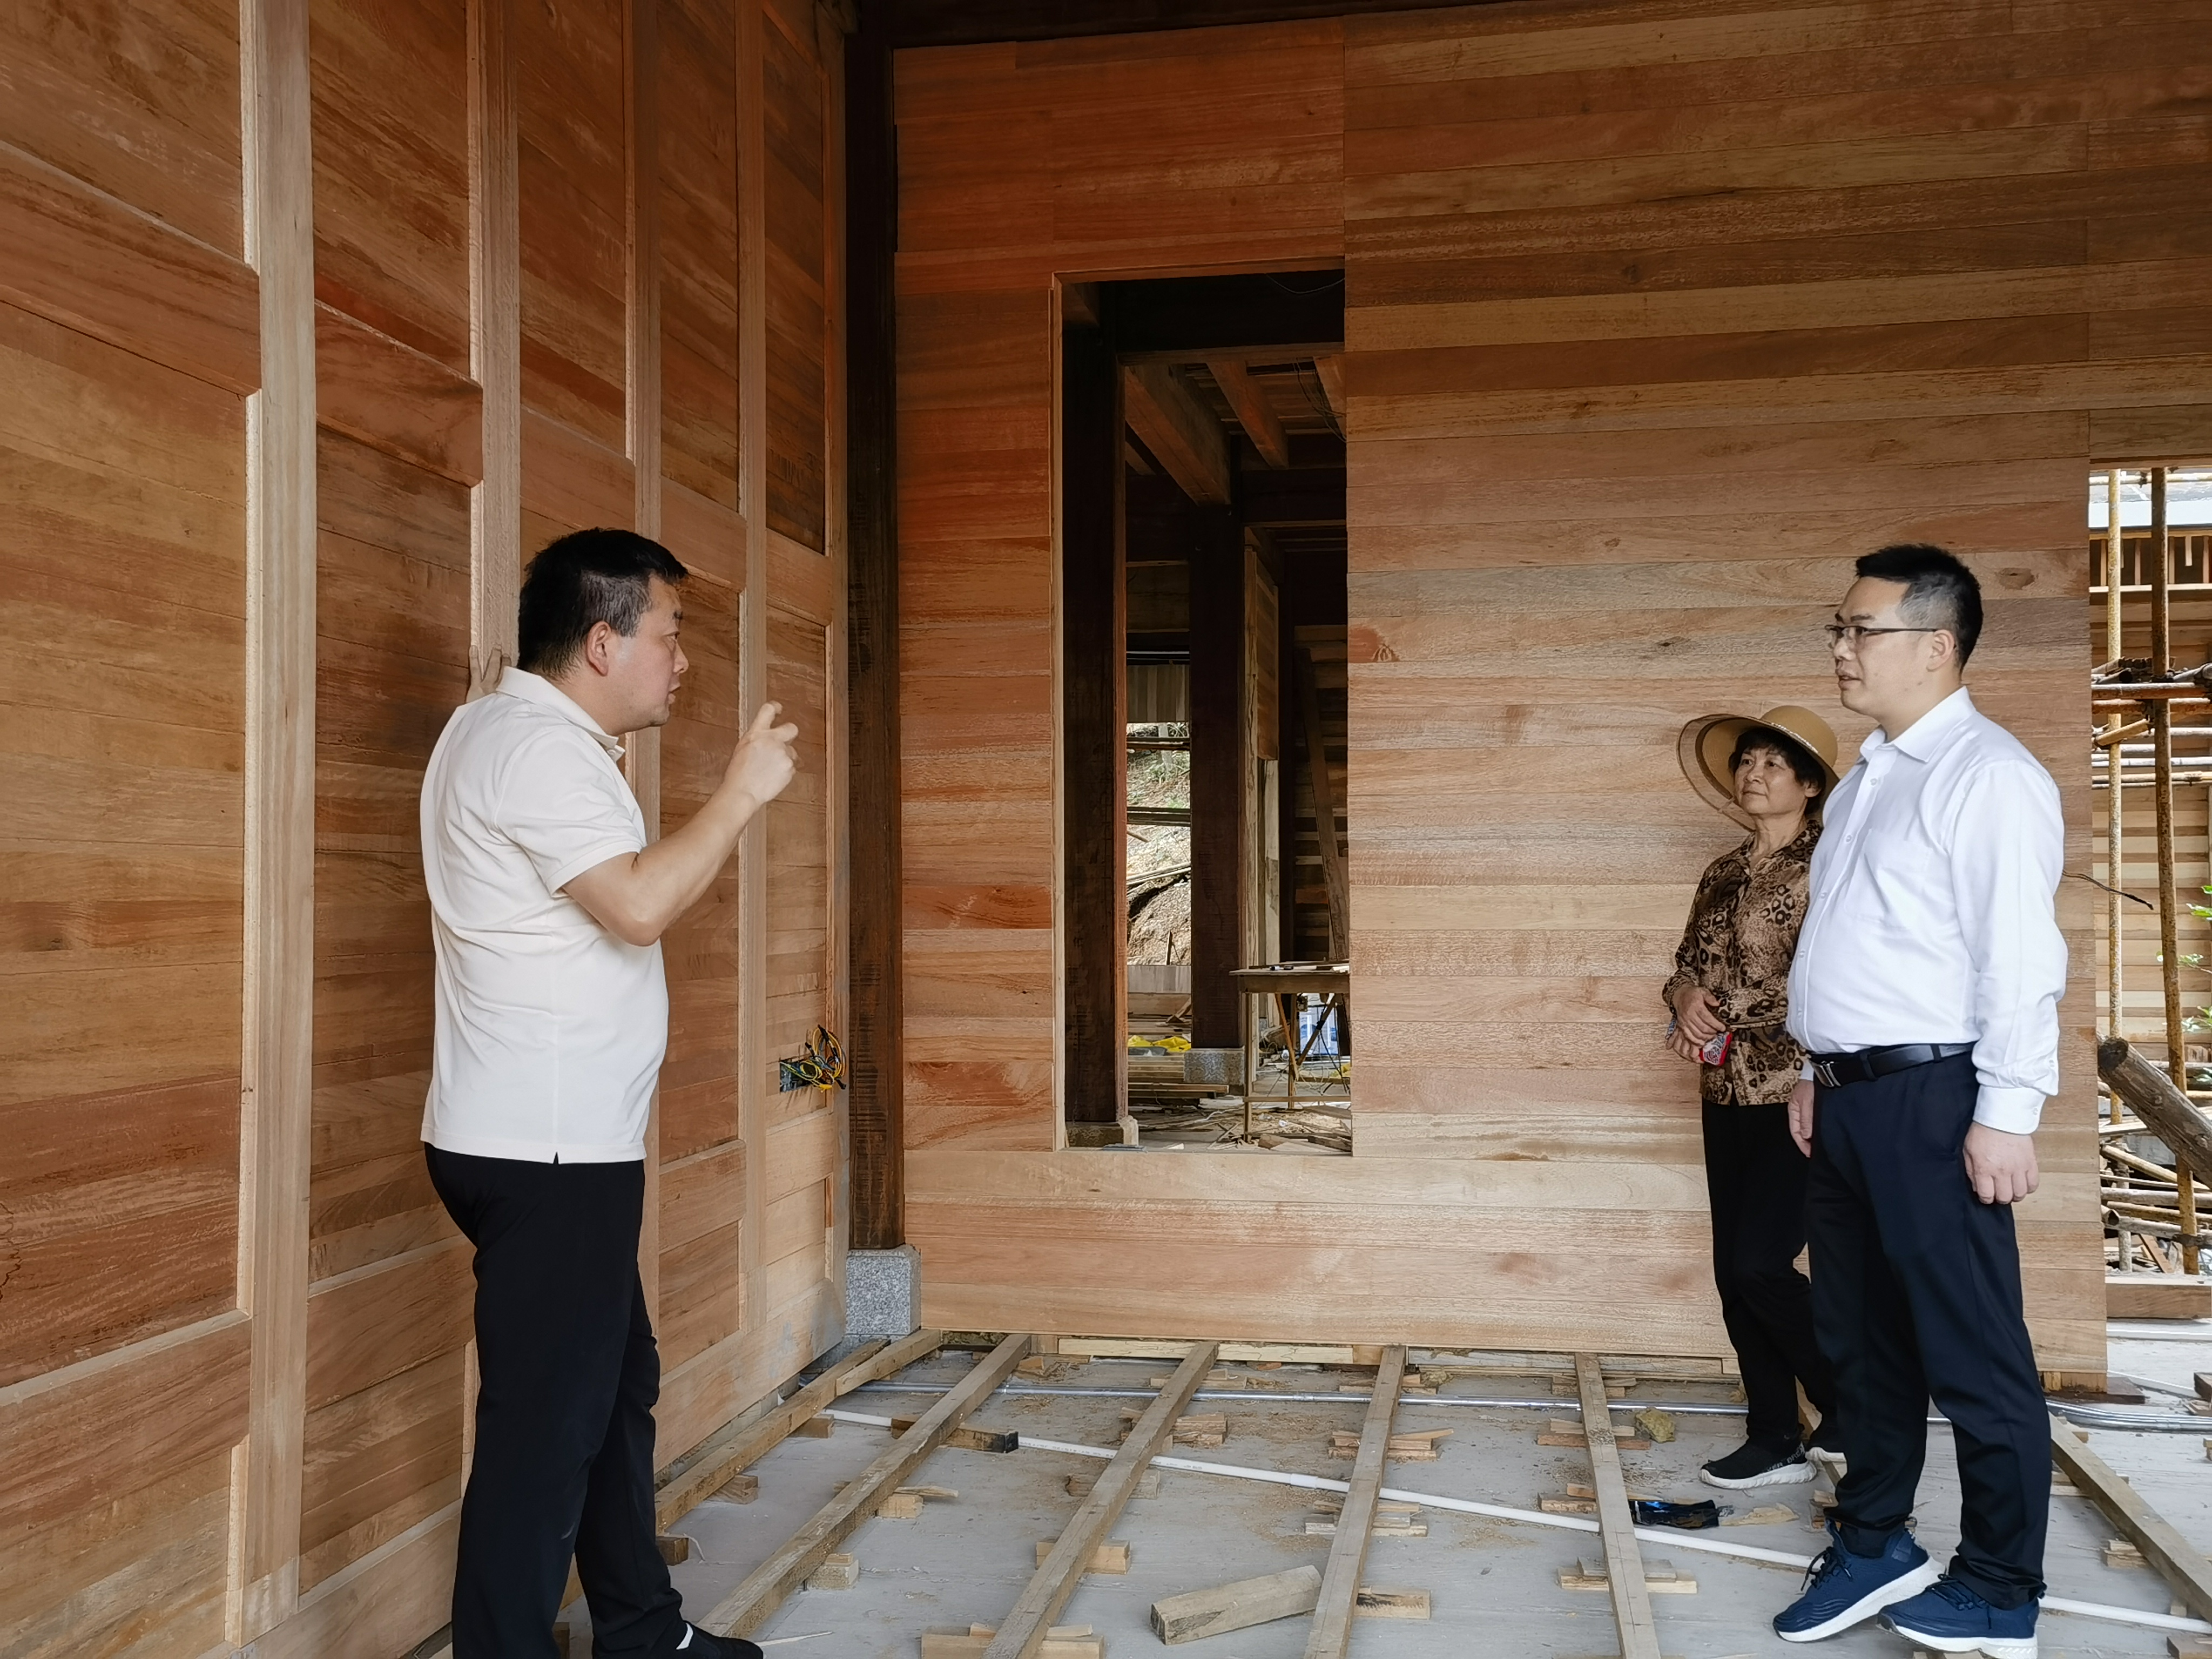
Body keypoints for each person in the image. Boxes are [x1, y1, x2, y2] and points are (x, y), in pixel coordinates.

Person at [420, 528, 799, 1659]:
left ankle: (641, 1630)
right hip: (547, 1154)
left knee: (613, 1391)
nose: (683, 661)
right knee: (544, 1439)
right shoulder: (537, 751)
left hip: (542, 1143)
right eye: (669, 635)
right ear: (601, 642)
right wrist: (737, 797)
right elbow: (635, 906)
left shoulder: (504, 730)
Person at [1770, 545, 2063, 1659]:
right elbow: (1860, 946)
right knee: (1860, 1342)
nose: (1840, 650)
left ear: (1935, 645)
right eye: (1837, 630)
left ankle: (1998, 1588)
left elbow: (2017, 957)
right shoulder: (1868, 779)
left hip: (1938, 1099)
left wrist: (2007, 1112)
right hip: (1850, 1101)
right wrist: (1814, 1072)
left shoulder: (1986, 776)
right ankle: (1876, 1541)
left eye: (1860, 631)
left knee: (1972, 1350)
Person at [1665, 705, 1844, 1491]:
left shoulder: (1830, 866)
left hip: (1798, 1090)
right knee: (1732, 1275)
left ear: (1810, 785)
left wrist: (1720, 1010)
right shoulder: (1723, 871)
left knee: (1761, 1264)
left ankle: (1852, 1401)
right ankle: (1773, 1434)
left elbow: (1832, 979)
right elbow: (1685, 964)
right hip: (1722, 1089)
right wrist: (1683, 1001)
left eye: (1773, 764)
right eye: (1746, 762)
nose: (1753, 774)